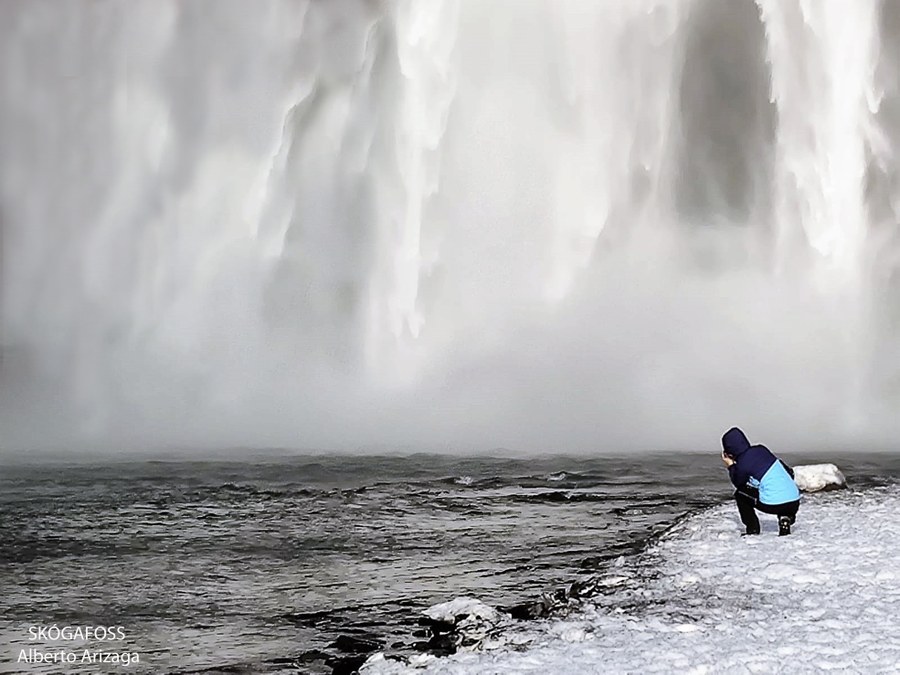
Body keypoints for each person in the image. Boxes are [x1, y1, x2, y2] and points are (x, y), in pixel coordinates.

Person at [721, 427, 800, 536]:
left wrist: (730, 466)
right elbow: (789, 472)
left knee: (741, 495)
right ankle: (786, 518)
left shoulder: (742, 464)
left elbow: (738, 483)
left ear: (729, 452)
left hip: (774, 504)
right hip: (794, 500)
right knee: (775, 489)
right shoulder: (762, 449)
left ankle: (752, 529)